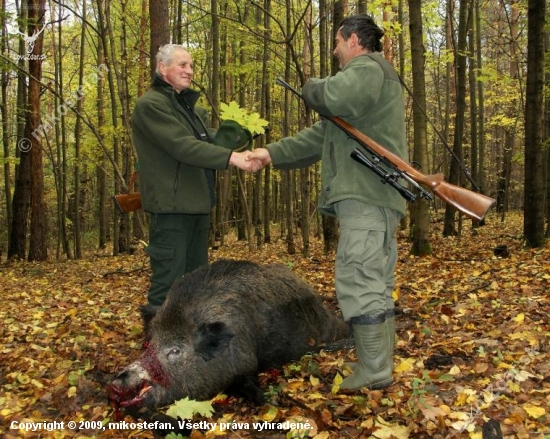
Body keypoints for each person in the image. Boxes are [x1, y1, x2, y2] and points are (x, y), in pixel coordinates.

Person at [247, 15, 407, 391]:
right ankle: (378, 364)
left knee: (358, 278)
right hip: (374, 197)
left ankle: (375, 371)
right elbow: (318, 137)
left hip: (367, 196)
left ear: (353, 40)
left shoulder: (367, 69)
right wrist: (269, 153)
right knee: (374, 282)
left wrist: (310, 86)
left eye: (337, 42)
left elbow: (330, 95)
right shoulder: (360, 96)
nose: (335, 51)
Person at [132, 44, 262, 307]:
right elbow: (182, 146)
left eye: (191, 65)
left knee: (197, 281)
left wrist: (239, 137)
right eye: (182, 65)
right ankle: (156, 344)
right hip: (170, 207)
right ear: (162, 68)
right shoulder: (151, 105)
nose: (189, 71)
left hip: (197, 204)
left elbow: (206, 139)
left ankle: (192, 341)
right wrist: (232, 158)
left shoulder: (190, 109)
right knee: (168, 280)